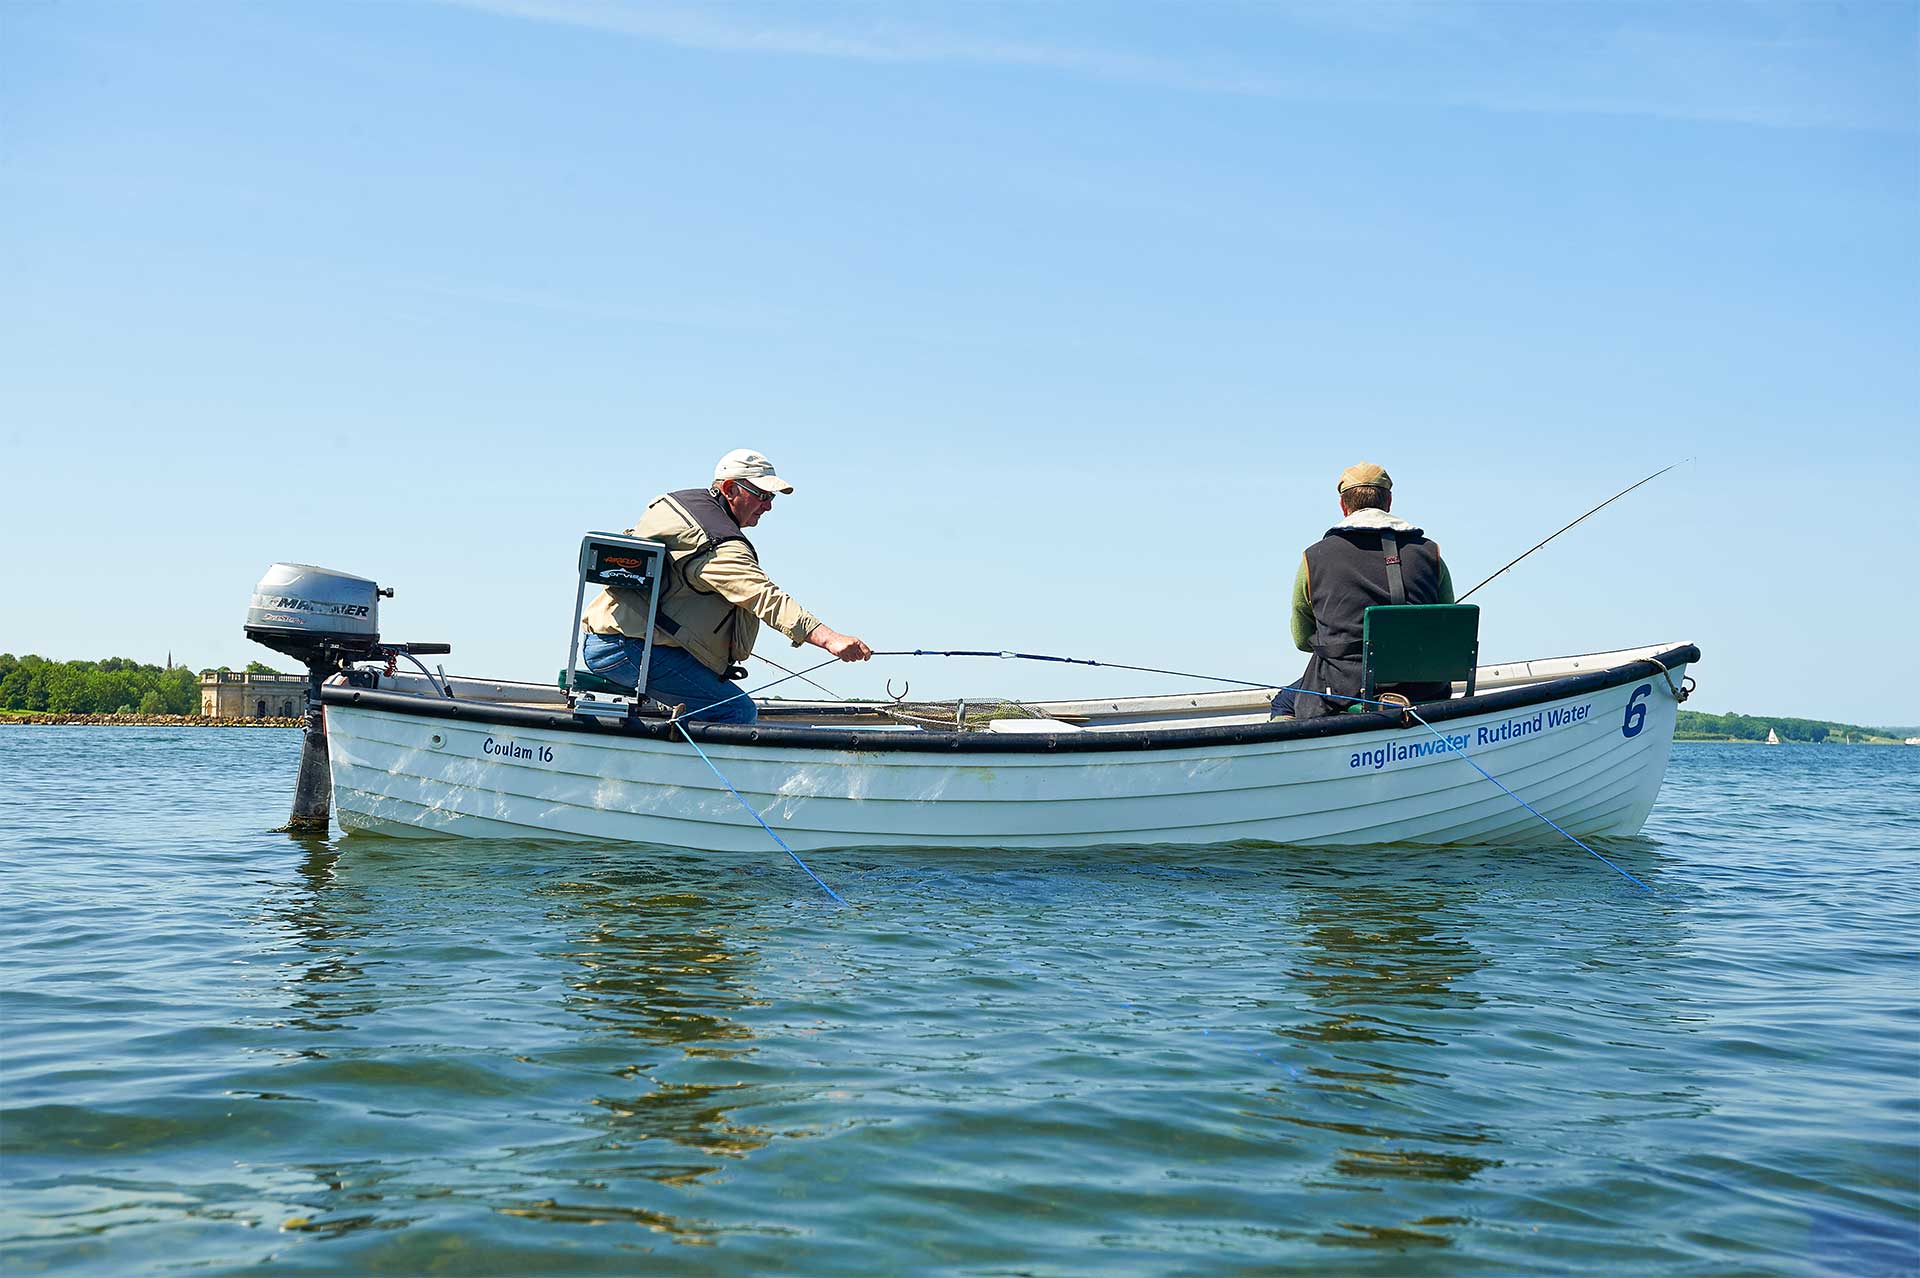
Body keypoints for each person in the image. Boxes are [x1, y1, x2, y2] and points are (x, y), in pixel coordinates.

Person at [581, 448, 872, 723]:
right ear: (730, 489)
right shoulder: (716, 543)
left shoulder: (679, 510)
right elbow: (764, 597)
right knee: (737, 712)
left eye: (772, 497)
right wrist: (829, 639)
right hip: (628, 650)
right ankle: (692, 777)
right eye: (761, 495)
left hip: (616, 642)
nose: (768, 506)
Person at [1274, 462, 1455, 720]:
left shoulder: (1313, 558)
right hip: (1425, 689)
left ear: (1343, 506)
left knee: (1283, 703)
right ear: (1389, 501)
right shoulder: (1431, 553)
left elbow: (1302, 639)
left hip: (1341, 691)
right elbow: (1446, 627)